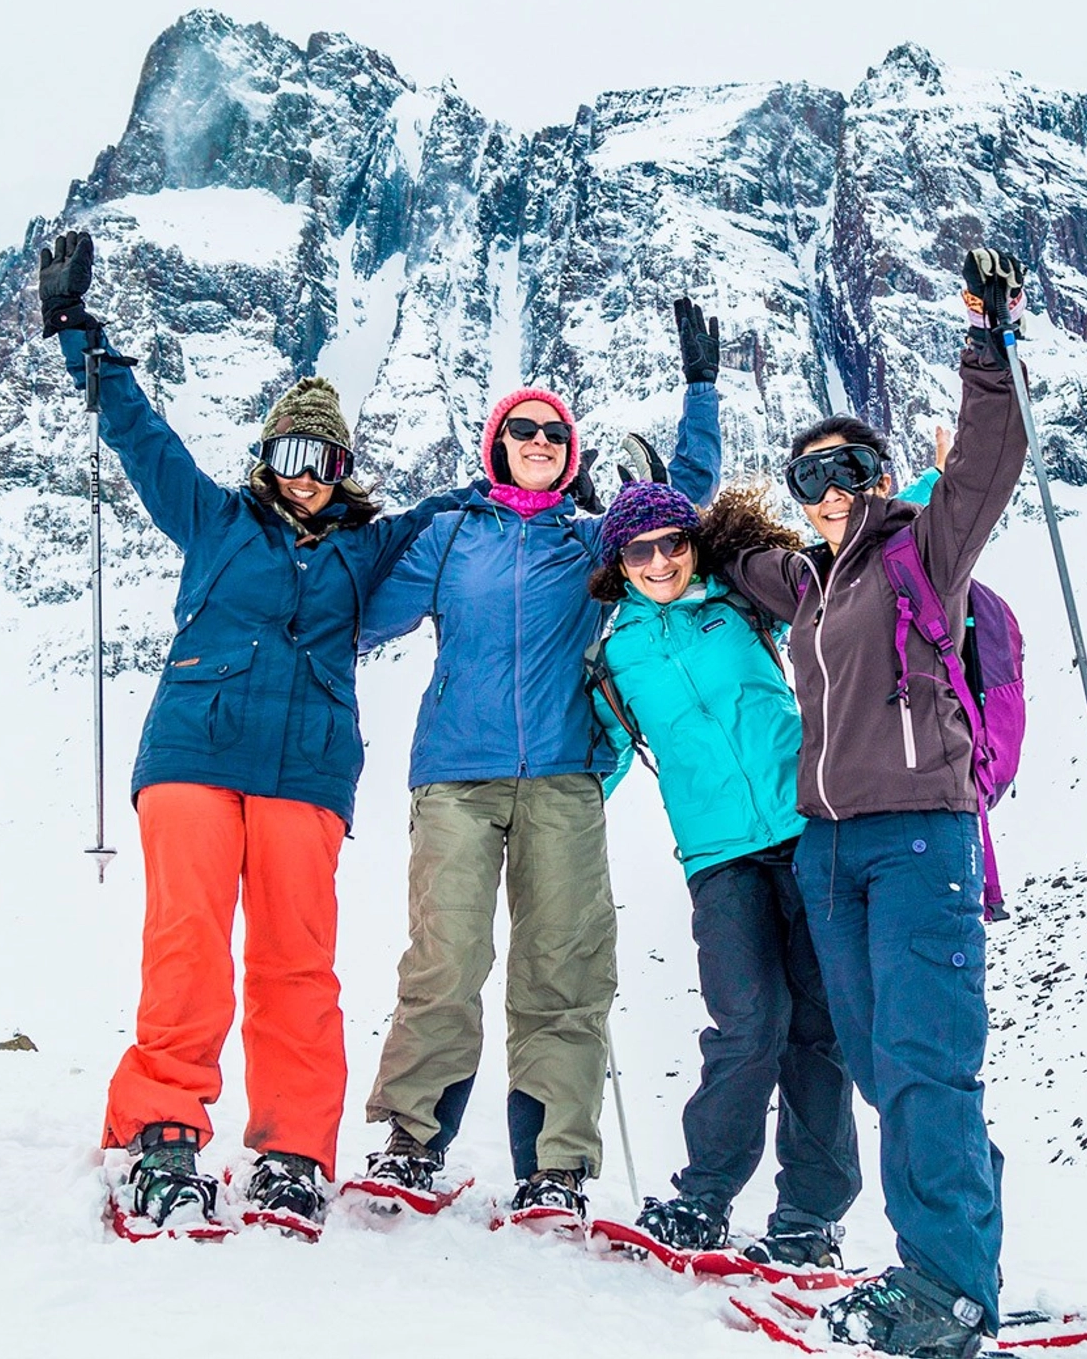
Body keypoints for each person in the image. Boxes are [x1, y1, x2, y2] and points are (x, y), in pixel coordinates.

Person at [37, 231, 467, 1230]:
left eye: (324, 459)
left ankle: (291, 1150)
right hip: (194, 751)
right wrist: (76, 331)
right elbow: (140, 435)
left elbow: (450, 512)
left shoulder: (367, 549)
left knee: (295, 963)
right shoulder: (218, 520)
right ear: (267, 457)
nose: (305, 474)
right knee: (187, 945)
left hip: (305, 772)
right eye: (290, 454)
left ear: (343, 468)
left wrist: (524, 489)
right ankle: (163, 1129)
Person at [724, 247, 1030, 1358]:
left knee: (923, 1059)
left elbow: (990, 460)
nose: (830, 492)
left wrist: (988, 341)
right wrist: (648, 503)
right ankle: (963, 1252)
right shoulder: (804, 585)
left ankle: (946, 1289)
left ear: (881, 474)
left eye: (848, 468)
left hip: (918, 841)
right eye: (808, 479)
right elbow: (722, 556)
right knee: (877, 1061)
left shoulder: (922, 552)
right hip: (829, 852)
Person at [355, 300, 723, 1218]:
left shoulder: (590, 541)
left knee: (563, 969)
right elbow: (360, 618)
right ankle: (411, 1141)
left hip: (563, 777)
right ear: (496, 445)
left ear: (571, 454)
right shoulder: (451, 535)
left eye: (555, 433)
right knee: (445, 960)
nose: (539, 441)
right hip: (455, 779)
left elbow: (677, 513)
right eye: (522, 429)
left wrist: (701, 393)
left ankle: (554, 1166)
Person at [583, 452, 941, 1263]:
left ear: (694, 544)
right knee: (748, 1023)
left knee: (819, 1029)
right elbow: (604, 759)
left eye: (673, 543)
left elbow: (847, 564)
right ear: (619, 563)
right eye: (640, 551)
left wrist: (931, 489)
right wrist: (544, 832)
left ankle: (809, 1220)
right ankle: (703, 1198)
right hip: (719, 859)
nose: (660, 561)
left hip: (808, 830)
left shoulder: (744, 603)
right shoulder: (613, 659)